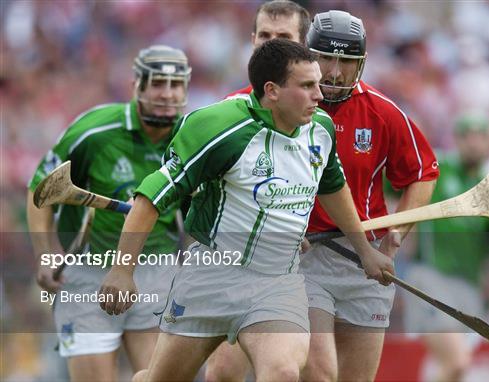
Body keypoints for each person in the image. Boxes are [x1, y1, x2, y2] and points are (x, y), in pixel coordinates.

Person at [98, 39, 394, 382]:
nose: (319, 95)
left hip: (278, 281)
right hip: (212, 277)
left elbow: (333, 188)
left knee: (283, 371)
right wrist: (122, 270)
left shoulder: (321, 130)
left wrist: (365, 252)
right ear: (272, 91)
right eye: (307, 86)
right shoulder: (219, 127)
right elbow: (150, 198)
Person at [26, 44, 191, 381]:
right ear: (137, 86)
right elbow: (40, 190)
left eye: (176, 86)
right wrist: (45, 254)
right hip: (88, 274)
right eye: (158, 83)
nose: (167, 94)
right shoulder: (94, 130)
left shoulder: (190, 136)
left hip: (156, 270)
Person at [299, 11, 439, 382]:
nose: (334, 72)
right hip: (305, 256)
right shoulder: (286, 108)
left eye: (346, 61)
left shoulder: (383, 112)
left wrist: (395, 238)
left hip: (367, 260)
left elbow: (423, 173)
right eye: (326, 57)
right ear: (308, 56)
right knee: (319, 372)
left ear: (361, 64)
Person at [209, 1, 311, 380]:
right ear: (251, 40)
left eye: (283, 37)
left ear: (305, 45)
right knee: (222, 372)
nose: (271, 44)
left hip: (310, 270)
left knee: (306, 371)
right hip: (235, 268)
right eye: (264, 36)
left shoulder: (316, 118)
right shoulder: (228, 111)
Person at [403, 112, 489, 382]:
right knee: (456, 362)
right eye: (468, 136)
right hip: (431, 281)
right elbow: (394, 184)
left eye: (481, 136)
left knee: (454, 371)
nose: (474, 143)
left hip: (469, 291)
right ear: (457, 139)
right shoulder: (439, 168)